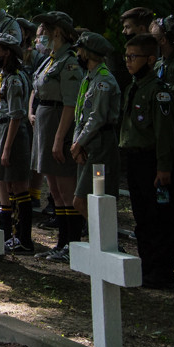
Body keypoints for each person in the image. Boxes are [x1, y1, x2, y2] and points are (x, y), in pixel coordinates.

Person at [118, 33, 174, 289]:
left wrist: (163, 166)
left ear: (150, 59)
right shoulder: (133, 87)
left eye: (134, 57)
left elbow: (165, 133)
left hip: (150, 161)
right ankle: (146, 266)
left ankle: (162, 271)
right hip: (133, 160)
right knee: (141, 217)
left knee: (157, 218)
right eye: (127, 56)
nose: (128, 61)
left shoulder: (158, 92)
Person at [28, 11, 82, 261]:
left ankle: (72, 244)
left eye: (45, 32)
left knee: (66, 188)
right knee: (55, 191)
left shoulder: (69, 62)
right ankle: (61, 244)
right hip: (45, 125)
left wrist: (60, 139)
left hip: (59, 125)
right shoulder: (49, 60)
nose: (41, 38)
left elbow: (70, 104)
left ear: (57, 33)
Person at [0, 31, 34, 254]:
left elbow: (16, 115)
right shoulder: (4, 76)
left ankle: (23, 238)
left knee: (18, 186)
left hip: (11, 132)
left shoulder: (14, 79)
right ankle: (8, 234)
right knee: (2, 181)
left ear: (6, 52)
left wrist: (6, 148)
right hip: (0, 129)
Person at [69, 32, 121, 224]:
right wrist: (78, 144)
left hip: (101, 143)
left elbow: (96, 118)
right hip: (88, 142)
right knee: (84, 200)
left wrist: (78, 144)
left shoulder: (103, 81)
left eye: (80, 50)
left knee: (84, 200)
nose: (77, 54)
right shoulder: (89, 78)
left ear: (89, 53)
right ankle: (100, 242)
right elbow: (80, 115)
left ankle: (108, 242)